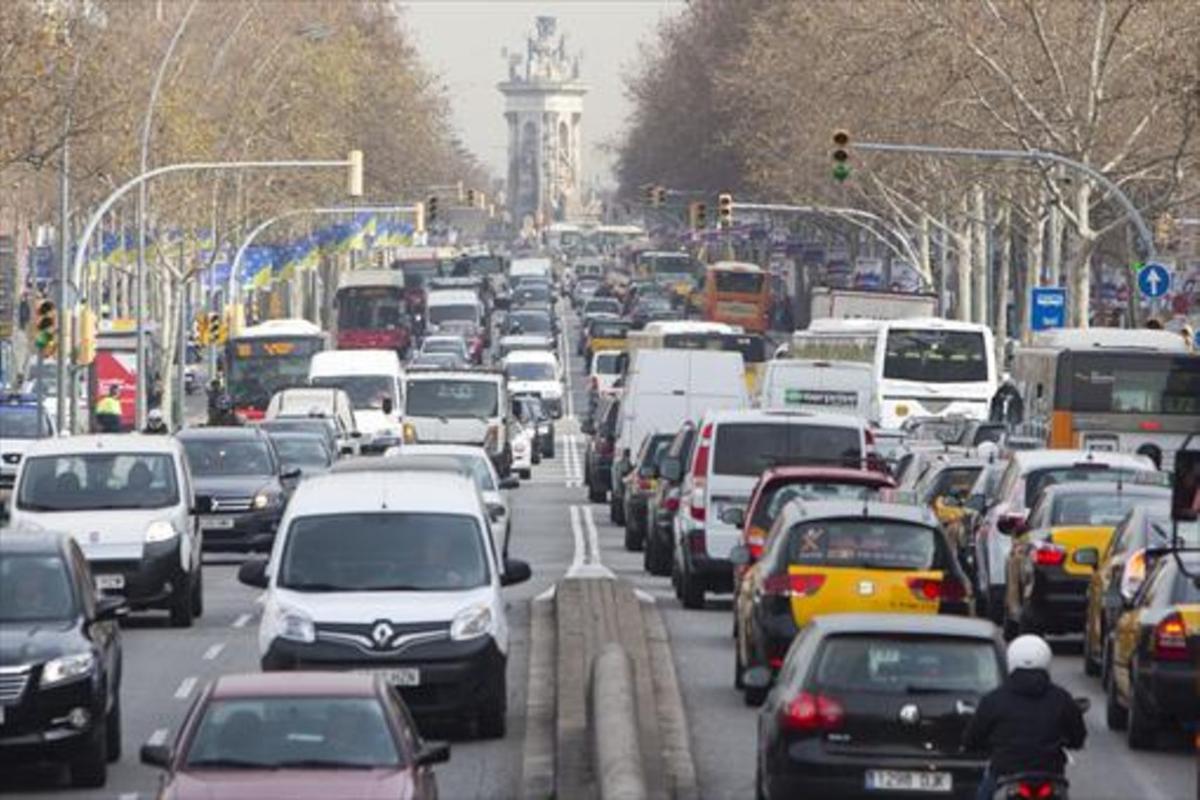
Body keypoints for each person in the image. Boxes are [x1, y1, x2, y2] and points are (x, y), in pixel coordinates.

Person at [963, 635, 1086, 799]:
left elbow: (971, 739)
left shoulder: (993, 699)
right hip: (1051, 775)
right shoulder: (1062, 699)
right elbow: (1078, 737)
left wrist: (985, 745)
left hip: (1004, 773)